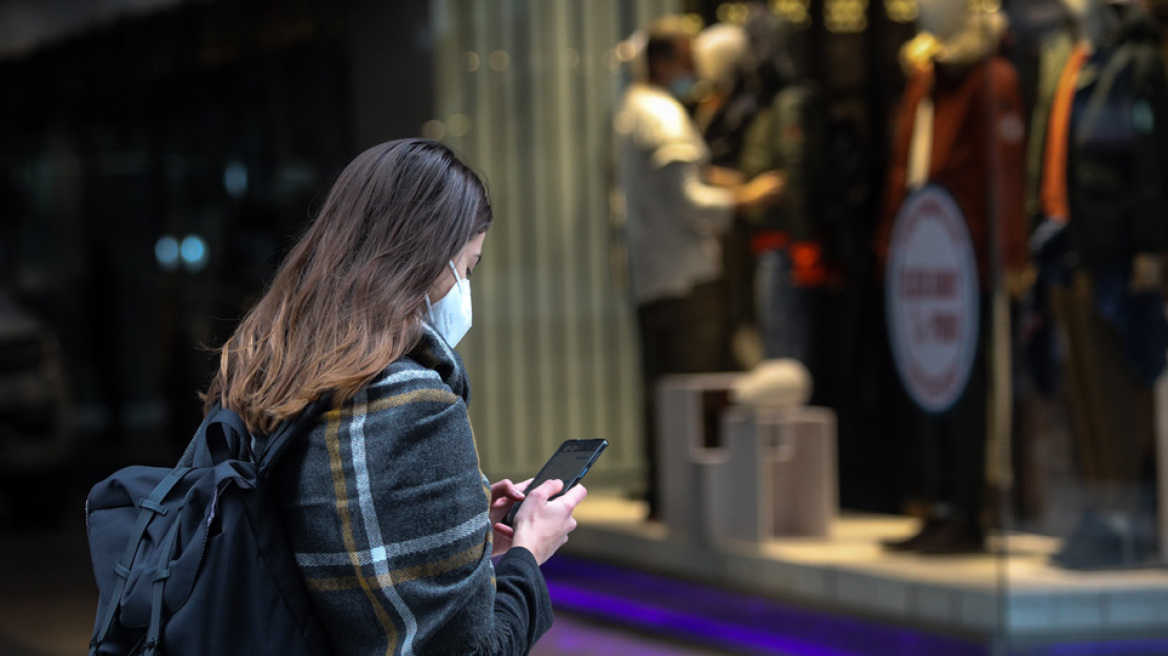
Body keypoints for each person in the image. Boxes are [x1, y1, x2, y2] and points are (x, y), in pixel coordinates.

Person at [194, 138, 584, 654]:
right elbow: (475, 649)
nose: (467, 289)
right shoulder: (413, 406)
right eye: (467, 269)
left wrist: (459, 528)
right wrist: (529, 554)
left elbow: (328, 543)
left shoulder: (268, 374)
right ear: (424, 261)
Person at [615, 15, 784, 518]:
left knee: (663, 390)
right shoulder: (664, 114)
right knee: (691, 394)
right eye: (689, 58)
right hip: (685, 274)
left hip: (653, 274)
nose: (698, 69)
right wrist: (746, 199)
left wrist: (720, 181)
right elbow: (686, 197)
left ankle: (665, 495)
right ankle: (692, 501)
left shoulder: (631, 109)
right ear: (666, 60)